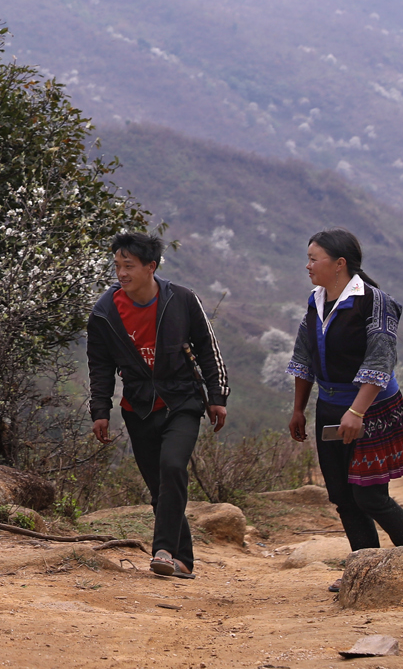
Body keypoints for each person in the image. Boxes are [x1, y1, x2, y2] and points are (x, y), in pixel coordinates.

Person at [87, 231, 230, 580]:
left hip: (182, 401)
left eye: (129, 265)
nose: (121, 273)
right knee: (160, 490)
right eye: (118, 265)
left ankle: (163, 549)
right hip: (138, 408)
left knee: (172, 467)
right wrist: (100, 411)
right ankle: (182, 562)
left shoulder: (180, 300)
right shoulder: (105, 312)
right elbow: (100, 366)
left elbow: (209, 350)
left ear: (151, 267)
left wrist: (217, 396)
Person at [285, 228, 403, 590]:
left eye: (315, 259)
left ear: (340, 264)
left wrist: (357, 412)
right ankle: (363, 571)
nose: (308, 266)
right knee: (343, 496)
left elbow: (381, 360)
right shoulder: (316, 301)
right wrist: (299, 408)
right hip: (329, 407)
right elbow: (303, 357)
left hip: (372, 408)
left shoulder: (375, 302)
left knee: (370, 495)